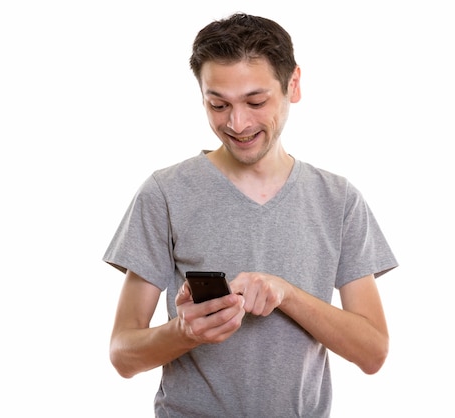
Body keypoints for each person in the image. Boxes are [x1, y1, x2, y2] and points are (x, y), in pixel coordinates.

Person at [103, 12, 398, 417]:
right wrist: (186, 330)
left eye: (256, 102)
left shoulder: (338, 200)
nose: (237, 123)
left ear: (293, 85)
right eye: (217, 104)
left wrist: (287, 294)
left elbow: (372, 352)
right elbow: (123, 355)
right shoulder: (165, 193)